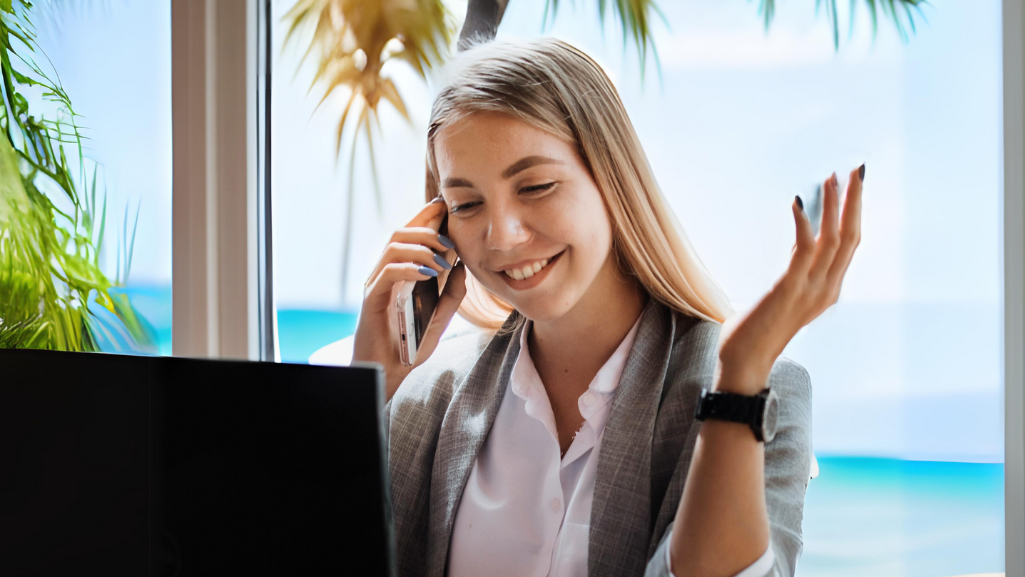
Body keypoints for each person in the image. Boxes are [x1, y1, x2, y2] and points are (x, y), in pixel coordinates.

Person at [353, 38, 862, 577]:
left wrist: (737, 382)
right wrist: (371, 393)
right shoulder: (426, 399)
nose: (501, 236)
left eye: (536, 186)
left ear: (612, 180)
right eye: (467, 204)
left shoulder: (760, 391)